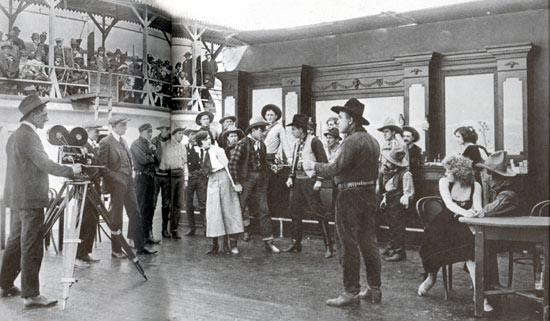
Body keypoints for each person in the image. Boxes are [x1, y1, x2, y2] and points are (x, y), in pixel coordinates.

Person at [0, 95, 81, 308]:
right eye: (44, 114)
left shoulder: (15, 136)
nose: (47, 118)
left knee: (15, 242)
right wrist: (70, 170)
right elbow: (44, 163)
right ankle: (31, 294)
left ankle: (5, 283)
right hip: (31, 201)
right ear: (34, 114)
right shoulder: (29, 136)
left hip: (17, 199)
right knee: (32, 245)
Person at [303, 98, 382, 307]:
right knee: (369, 241)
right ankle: (374, 289)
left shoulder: (351, 141)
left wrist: (313, 165)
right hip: (368, 195)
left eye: (340, 118)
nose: (338, 122)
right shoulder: (373, 140)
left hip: (349, 196)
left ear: (352, 120)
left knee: (347, 243)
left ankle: (350, 292)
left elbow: (335, 168)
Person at [417, 154, 493, 313]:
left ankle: (478, 294)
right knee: (431, 243)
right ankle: (431, 278)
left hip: (465, 224)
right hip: (445, 224)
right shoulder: (444, 182)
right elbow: (449, 205)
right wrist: (466, 213)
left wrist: (476, 212)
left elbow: (478, 205)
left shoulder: (476, 185)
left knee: (472, 249)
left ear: (459, 172)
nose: (445, 174)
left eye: (448, 171)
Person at [98, 114, 157, 257]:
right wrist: (116, 178)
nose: (126, 127)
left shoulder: (123, 141)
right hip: (116, 185)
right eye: (123, 125)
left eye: (125, 124)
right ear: (115, 126)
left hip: (129, 184)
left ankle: (140, 247)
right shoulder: (106, 142)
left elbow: (128, 163)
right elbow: (102, 166)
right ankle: (116, 250)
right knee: (116, 218)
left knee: (136, 214)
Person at [284, 114, 334, 258]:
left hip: (309, 182)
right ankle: (296, 243)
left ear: (301, 129)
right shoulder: (297, 143)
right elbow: (294, 161)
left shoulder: (314, 141)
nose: (292, 132)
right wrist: (290, 176)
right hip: (297, 183)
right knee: (294, 212)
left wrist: (319, 180)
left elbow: (323, 162)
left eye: (294, 129)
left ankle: (328, 246)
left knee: (319, 213)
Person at [229, 116, 280, 253]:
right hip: (246, 180)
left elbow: (263, 164)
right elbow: (232, 164)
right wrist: (236, 182)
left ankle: (268, 242)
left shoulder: (261, 145)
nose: (263, 133)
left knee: (265, 210)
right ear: (254, 130)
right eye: (261, 131)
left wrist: (269, 170)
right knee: (239, 210)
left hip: (260, 181)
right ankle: (232, 243)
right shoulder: (242, 143)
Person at [476, 150, 519, 287]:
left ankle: (486, 284)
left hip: (514, 237)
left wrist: (484, 188)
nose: (487, 178)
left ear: (503, 178)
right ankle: (483, 282)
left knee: (480, 244)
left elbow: (484, 211)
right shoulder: (496, 189)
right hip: (499, 233)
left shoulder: (507, 194)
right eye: (487, 174)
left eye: (491, 175)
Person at [197, 131, 244, 255]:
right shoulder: (201, 151)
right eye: (205, 139)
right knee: (213, 213)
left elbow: (228, 167)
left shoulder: (218, 150)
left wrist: (234, 183)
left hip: (223, 178)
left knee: (228, 211)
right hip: (212, 180)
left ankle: (229, 245)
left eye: (208, 138)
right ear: (200, 142)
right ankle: (215, 245)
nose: (208, 141)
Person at [377, 146, 414, 262]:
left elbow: (408, 191)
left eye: (389, 161)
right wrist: (384, 198)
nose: (386, 163)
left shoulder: (405, 174)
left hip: (398, 202)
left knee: (398, 226)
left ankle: (399, 251)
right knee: (391, 224)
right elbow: (384, 187)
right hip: (389, 199)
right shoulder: (386, 172)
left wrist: (406, 197)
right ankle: (391, 246)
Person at [75, 120, 104, 267]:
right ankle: (78, 255)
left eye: (98, 131)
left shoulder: (94, 146)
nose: (97, 133)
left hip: (95, 188)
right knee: (84, 220)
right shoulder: (82, 146)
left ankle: (86, 252)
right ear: (86, 131)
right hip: (86, 188)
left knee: (93, 220)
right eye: (94, 130)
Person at [131, 123, 161, 244]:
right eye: (148, 131)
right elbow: (143, 160)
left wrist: (153, 153)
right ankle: (135, 237)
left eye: (151, 131)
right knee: (139, 208)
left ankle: (147, 235)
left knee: (150, 208)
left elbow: (159, 161)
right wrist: (152, 154)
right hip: (141, 178)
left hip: (150, 178)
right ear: (141, 132)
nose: (150, 134)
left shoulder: (150, 145)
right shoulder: (136, 144)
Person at [156, 126, 188, 239]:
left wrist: (186, 179)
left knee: (178, 204)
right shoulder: (166, 146)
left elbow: (185, 163)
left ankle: (174, 229)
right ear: (173, 135)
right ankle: (164, 229)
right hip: (168, 176)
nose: (181, 135)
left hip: (180, 176)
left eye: (182, 133)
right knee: (166, 203)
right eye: (179, 133)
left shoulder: (183, 147)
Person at [183, 128, 207, 236]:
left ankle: (206, 227)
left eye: (195, 134)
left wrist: (203, 172)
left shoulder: (202, 148)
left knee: (203, 202)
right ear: (188, 136)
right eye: (192, 134)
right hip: (189, 178)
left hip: (200, 177)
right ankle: (191, 227)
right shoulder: (184, 148)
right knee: (188, 203)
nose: (193, 137)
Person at [152, 121, 172, 238]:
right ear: (161, 130)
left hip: (167, 176)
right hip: (156, 175)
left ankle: (164, 230)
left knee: (166, 204)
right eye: (165, 129)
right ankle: (149, 229)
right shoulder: (154, 141)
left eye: (168, 129)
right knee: (153, 203)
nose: (167, 131)